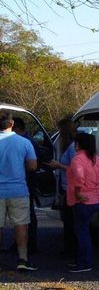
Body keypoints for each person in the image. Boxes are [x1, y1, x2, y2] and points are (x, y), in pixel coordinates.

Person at [0, 111, 38, 271]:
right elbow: (32, 166)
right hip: (18, 190)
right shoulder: (24, 142)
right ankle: (23, 259)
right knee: (21, 225)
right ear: (12, 123)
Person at [66, 132, 99, 273]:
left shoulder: (78, 159)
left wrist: (77, 193)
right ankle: (81, 260)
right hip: (95, 198)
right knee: (84, 231)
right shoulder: (97, 159)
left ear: (79, 144)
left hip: (82, 200)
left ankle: (84, 263)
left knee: (81, 232)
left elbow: (79, 178)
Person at [48, 118, 78, 262]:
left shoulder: (72, 148)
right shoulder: (66, 145)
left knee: (70, 220)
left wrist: (58, 165)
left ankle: (72, 250)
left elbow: (76, 169)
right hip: (66, 186)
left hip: (71, 188)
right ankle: (70, 248)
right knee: (68, 220)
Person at [11, 117, 39, 254]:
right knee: (23, 217)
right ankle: (22, 247)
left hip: (25, 182)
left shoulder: (27, 142)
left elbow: (32, 165)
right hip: (24, 183)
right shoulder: (27, 142)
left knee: (26, 217)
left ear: (15, 128)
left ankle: (29, 244)